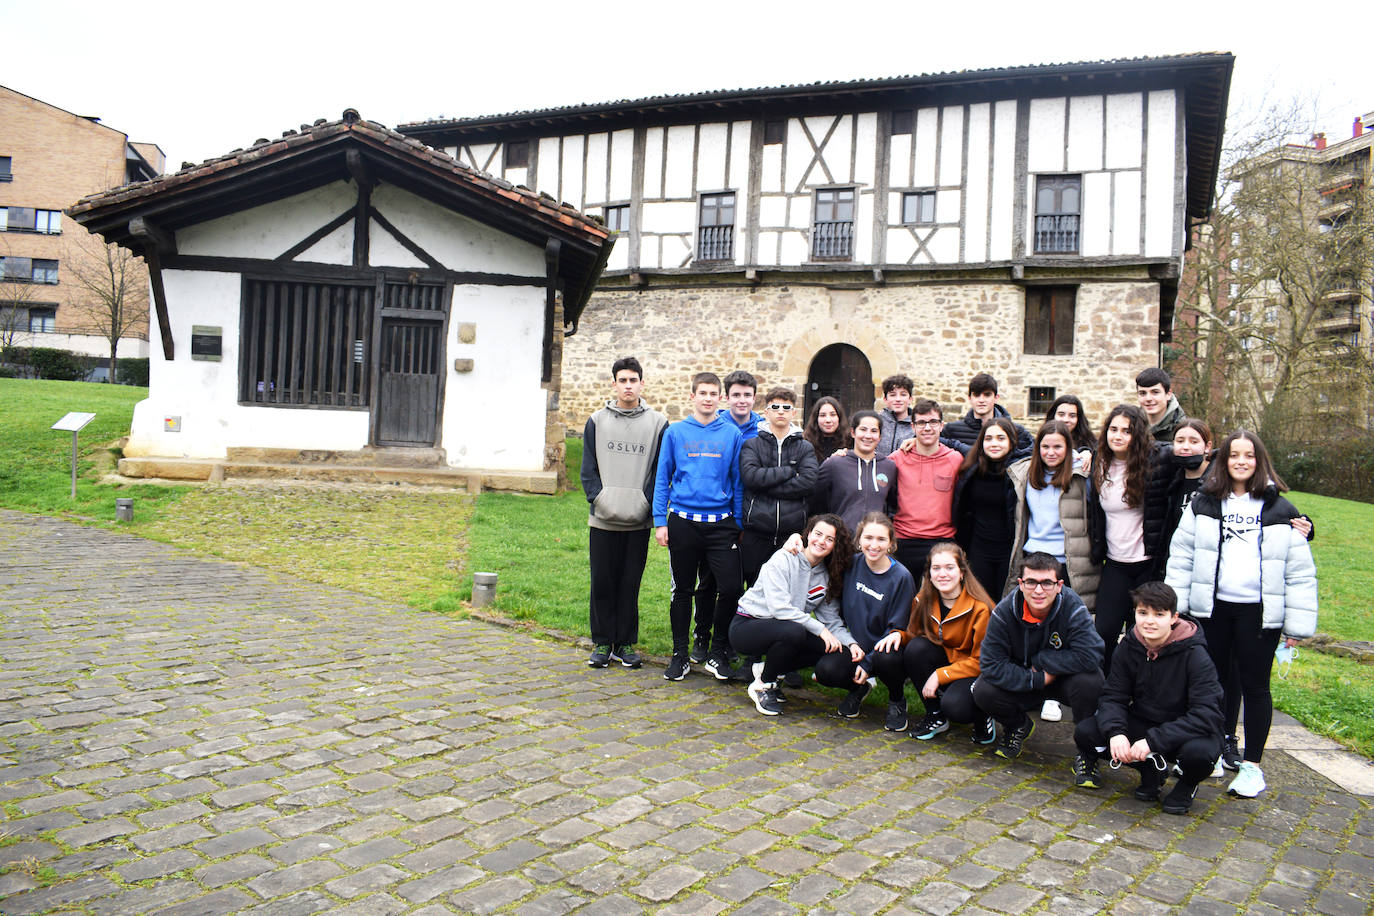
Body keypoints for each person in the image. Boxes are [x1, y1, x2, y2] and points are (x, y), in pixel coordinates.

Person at [1165, 430, 1318, 798]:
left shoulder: (1281, 510)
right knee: (1211, 686)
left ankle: (1252, 767)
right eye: (1234, 454)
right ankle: (1211, 752)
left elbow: (1299, 572)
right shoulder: (1204, 503)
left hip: (1259, 615)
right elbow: (1182, 555)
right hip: (1212, 611)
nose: (1241, 461)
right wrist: (1178, 606)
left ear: (1259, 460)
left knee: (1255, 687)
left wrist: (1295, 626)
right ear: (1224, 459)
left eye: (1249, 455)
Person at [1071, 582, 1223, 815]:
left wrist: (1153, 741)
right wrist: (1116, 732)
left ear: (1173, 618)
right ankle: (1150, 770)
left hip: (1187, 731)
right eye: (1143, 613)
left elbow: (1207, 715)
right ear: (1135, 614)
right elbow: (1113, 696)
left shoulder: (1196, 655)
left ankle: (1187, 785)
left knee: (1200, 755)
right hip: (1145, 720)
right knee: (1086, 733)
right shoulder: (1130, 645)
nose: (1149, 621)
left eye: (1159, 614)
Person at [653, 372, 745, 682]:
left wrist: (738, 522)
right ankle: (680, 654)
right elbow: (662, 478)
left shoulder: (731, 434)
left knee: (731, 587)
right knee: (683, 590)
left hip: (721, 524)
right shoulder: (676, 432)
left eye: (713, 393)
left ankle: (717, 652)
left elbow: (736, 479)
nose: (707, 398)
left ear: (720, 398)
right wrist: (660, 522)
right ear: (692, 396)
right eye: (702, 393)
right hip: (683, 522)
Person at [1006, 420, 1099, 724]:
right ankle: (1039, 690)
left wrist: (1088, 456)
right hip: (1034, 557)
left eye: (1058, 446)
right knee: (1034, 628)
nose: (1051, 452)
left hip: (1067, 562)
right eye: (1045, 446)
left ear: (1069, 448)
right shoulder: (1025, 475)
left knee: (1066, 630)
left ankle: (1062, 692)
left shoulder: (1080, 475)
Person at [973, 551, 1105, 759]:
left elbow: (1092, 653)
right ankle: (1018, 726)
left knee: (1092, 681)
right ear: (1021, 583)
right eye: (1031, 582)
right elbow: (990, 664)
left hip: (1062, 679)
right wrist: (1037, 678)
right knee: (983, 690)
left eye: (1046, 583)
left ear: (1059, 585)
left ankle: (1087, 752)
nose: (1038, 590)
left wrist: (1043, 661)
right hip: (1026, 677)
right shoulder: (1004, 611)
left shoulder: (1073, 606)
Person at [580, 358, 669, 669]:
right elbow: (588, 469)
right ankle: (603, 642)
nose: (628, 386)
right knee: (602, 582)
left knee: (630, 583)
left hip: (638, 519)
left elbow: (660, 471)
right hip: (603, 517)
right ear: (614, 383)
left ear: (642, 384)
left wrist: (646, 503)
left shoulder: (658, 423)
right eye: (623, 380)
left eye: (634, 380)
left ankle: (626, 643)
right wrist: (599, 499)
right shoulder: (596, 420)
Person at [730, 514, 853, 715]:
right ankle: (763, 685)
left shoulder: (826, 576)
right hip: (747, 626)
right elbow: (780, 609)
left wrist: (851, 644)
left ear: (835, 546)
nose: (821, 541)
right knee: (794, 631)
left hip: (784, 629)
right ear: (808, 534)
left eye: (829, 539)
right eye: (818, 534)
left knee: (829, 646)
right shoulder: (784, 558)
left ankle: (768, 670)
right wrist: (820, 629)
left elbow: (831, 620)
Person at [875, 542, 996, 743]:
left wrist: (940, 675)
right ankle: (935, 715)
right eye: (936, 568)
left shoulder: (981, 608)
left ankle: (983, 714)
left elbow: (981, 662)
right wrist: (898, 634)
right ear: (929, 574)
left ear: (962, 572)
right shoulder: (923, 599)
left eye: (949, 568)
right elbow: (914, 636)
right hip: (945, 660)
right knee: (915, 649)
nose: (943, 574)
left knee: (957, 709)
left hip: (973, 672)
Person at [1088, 404, 1173, 675]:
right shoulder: (1098, 462)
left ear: (1137, 435)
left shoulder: (1157, 461)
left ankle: (1143, 690)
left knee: (1144, 634)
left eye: (1126, 431)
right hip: (1115, 562)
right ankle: (1108, 690)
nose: (1118, 436)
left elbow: (1197, 456)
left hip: (1147, 563)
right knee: (1105, 632)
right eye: (1113, 429)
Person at [691, 370, 764, 665]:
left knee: (742, 582)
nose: (742, 400)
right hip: (720, 515)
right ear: (726, 398)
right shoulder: (715, 425)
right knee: (709, 581)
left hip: (754, 515)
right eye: (736, 395)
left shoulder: (762, 429)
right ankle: (701, 636)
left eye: (747, 395)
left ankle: (734, 639)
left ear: (754, 398)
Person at [814, 512, 916, 718]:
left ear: (891, 544)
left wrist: (868, 663)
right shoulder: (850, 564)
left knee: (889, 657)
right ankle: (858, 689)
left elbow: (897, 628)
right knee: (826, 671)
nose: (874, 545)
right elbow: (816, 553)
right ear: (859, 540)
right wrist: (794, 540)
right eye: (868, 538)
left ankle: (897, 700)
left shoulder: (901, 577)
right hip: (856, 645)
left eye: (881, 539)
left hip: (886, 648)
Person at [739, 387, 818, 587]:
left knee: (786, 591)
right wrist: (789, 472)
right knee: (753, 589)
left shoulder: (805, 447)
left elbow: (808, 483)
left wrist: (765, 485)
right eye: (775, 407)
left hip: (790, 535)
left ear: (793, 412)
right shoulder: (752, 445)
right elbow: (750, 478)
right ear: (766, 412)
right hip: (757, 532)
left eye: (786, 407)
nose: (780, 411)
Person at [889, 398, 964, 578]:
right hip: (904, 540)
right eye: (921, 423)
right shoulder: (897, 459)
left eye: (933, 422)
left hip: (942, 541)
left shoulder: (955, 459)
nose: (927, 428)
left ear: (942, 425)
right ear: (912, 427)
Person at [952, 417, 1019, 598]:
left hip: (1009, 551)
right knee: (980, 602)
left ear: (1011, 442)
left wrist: (1084, 452)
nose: (994, 443)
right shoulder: (972, 470)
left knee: (1006, 603)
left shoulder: (1021, 472)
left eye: (1000, 438)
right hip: (979, 549)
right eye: (988, 438)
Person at [810, 410, 897, 534]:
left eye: (874, 431)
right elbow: (815, 503)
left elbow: (895, 504)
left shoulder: (889, 467)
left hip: (873, 543)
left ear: (880, 436)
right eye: (863, 429)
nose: (868, 436)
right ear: (853, 432)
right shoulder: (835, 464)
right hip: (842, 541)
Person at [942, 372, 1032, 454]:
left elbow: (1034, 453)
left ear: (996, 398)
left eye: (987, 395)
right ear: (970, 398)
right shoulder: (952, 430)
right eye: (977, 395)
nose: (981, 400)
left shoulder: (1016, 431)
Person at [1136, 367, 1186, 444]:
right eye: (1143, 393)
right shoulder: (1132, 425)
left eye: (1155, 392)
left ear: (1168, 394)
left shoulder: (1183, 430)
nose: (1148, 398)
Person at [876, 374, 916, 459]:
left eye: (903, 394)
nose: (898, 399)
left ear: (910, 399)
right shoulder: (876, 421)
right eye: (893, 395)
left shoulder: (918, 425)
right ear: (885, 399)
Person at [804, 396, 851, 463]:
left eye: (833, 415)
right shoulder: (805, 444)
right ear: (816, 418)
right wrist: (831, 461)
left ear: (839, 417)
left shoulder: (850, 442)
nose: (828, 420)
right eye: (823, 415)